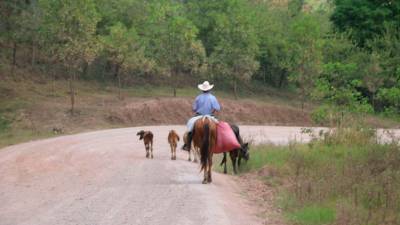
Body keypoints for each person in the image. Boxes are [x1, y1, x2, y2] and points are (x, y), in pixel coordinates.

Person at [182, 81, 221, 151]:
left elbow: (194, 109)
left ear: (202, 89)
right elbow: (217, 108)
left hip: (199, 116)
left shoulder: (198, 98)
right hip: (210, 116)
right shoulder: (213, 97)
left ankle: (187, 145)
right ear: (209, 89)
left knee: (190, 127)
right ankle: (219, 142)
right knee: (219, 127)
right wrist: (212, 112)